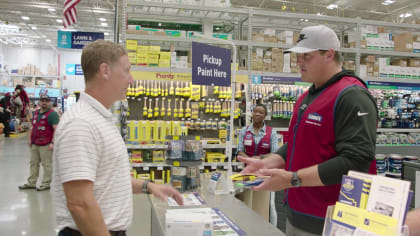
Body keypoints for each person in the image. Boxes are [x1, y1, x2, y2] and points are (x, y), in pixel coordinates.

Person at [238, 25, 377, 236]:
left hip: (333, 220)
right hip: (298, 215)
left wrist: (293, 179)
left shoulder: (352, 96)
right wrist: (266, 162)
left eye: (306, 56)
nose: (298, 62)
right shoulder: (306, 97)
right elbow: (297, 145)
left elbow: (356, 161)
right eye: (297, 56)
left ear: (329, 54)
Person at [52, 40, 183, 236]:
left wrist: (149, 186)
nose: (131, 80)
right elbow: (79, 203)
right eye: (127, 71)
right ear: (105, 71)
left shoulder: (100, 118)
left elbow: (107, 179)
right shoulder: (81, 124)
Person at [18, 94, 59, 191]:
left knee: (47, 164)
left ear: (49, 102)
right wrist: (29, 139)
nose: (44, 102)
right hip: (35, 143)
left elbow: (56, 129)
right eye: (42, 101)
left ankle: (46, 183)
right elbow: (32, 127)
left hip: (46, 144)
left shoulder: (52, 114)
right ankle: (31, 183)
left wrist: (52, 142)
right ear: (39, 102)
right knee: (33, 163)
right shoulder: (36, 113)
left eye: (46, 101)